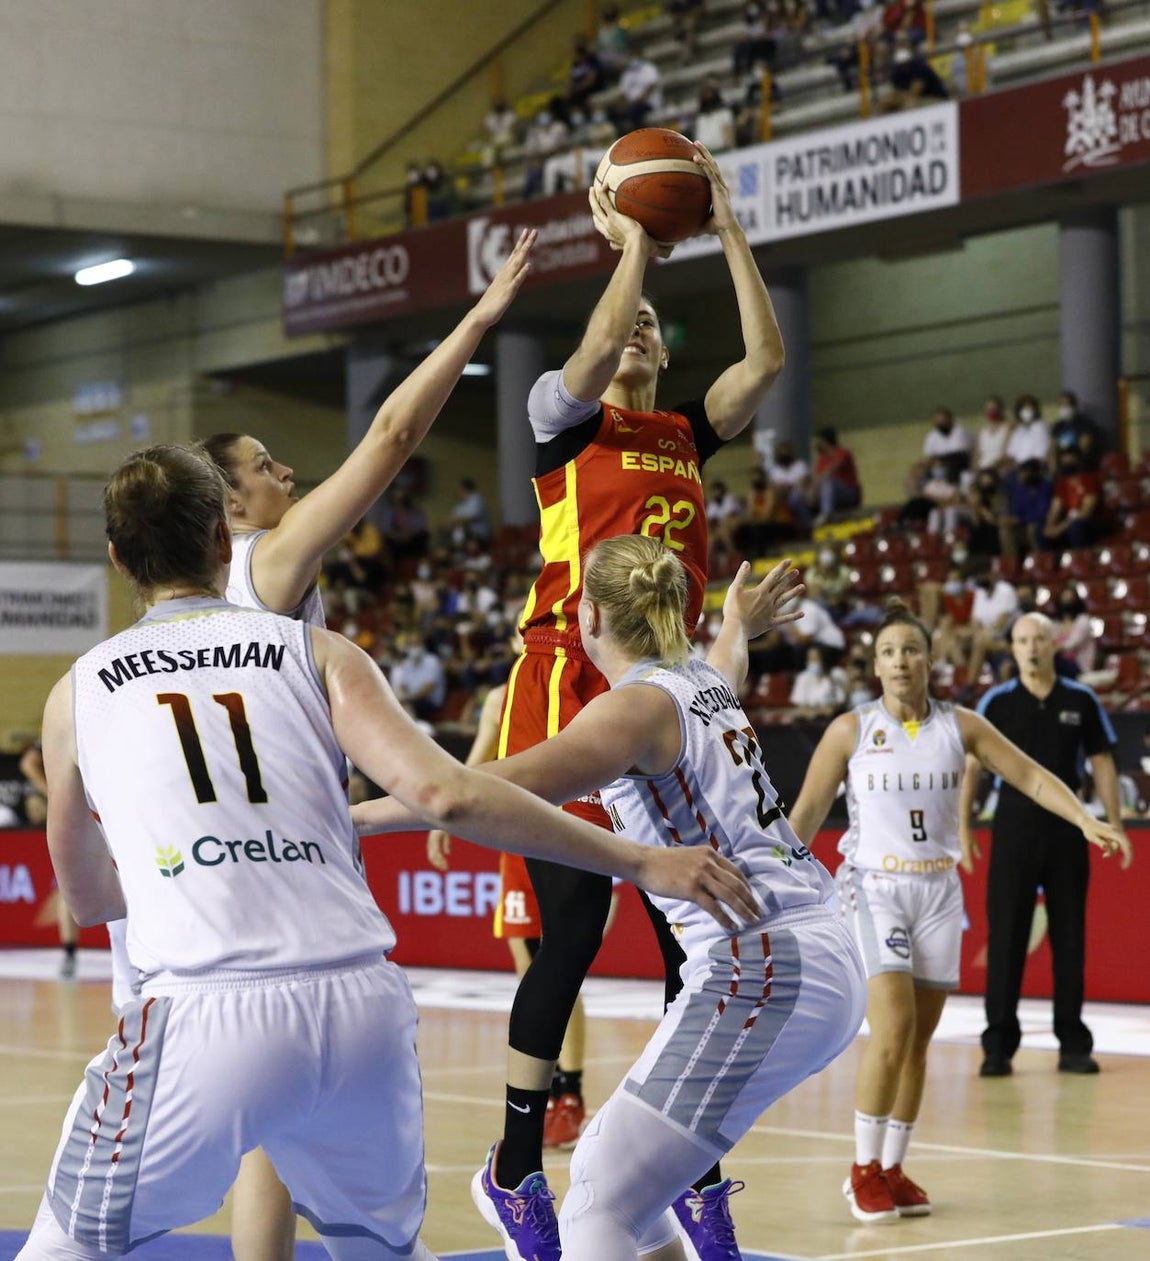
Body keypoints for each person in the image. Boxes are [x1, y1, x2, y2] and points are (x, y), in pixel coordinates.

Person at [16, 447, 757, 1261]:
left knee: (66, 1242)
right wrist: (643, 861)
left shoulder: (77, 691)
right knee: (380, 1249)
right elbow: (452, 795)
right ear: (225, 544)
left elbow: (87, 898)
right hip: (360, 1010)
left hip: (204, 1009)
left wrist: (198, 865)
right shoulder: (318, 653)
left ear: (117, 557)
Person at [108, 232, 539, 1261]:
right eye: (263, 466)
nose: (287, 470)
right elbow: (390, 438)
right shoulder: (266, 562)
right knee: (311, 1156)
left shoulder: (164, 629)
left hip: (191, 905)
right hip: (260, 911)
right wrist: (478, 322)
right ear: (224, 508)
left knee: (269, 1143)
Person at [447, 147, 786, 1261]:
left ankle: (693, 1170)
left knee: (698, 942)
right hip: (566, 682)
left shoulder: (685, 434)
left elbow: (765, 360)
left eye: (649, 326)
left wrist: (727, 226)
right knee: (576, 932)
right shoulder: (565, 421)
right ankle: (512, 1169)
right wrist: (634, 237)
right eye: (625, 322)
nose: (634, 332)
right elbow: (593, 344)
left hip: (665, 691)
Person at [355, 538, 867, 1261]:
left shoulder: (631, 710)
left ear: (588, 616)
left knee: (597, 1190)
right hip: (812, 948)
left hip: (765, 964)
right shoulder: (697, 678)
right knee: (633, 1182)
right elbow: (728, 662)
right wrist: (735, 626)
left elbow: (467, 795)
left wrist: (350, 817)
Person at [787, 601, 1126, 1223]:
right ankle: (860, 1169)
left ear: (930, 660)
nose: (899, 661)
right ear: (875, 665)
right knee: (889, 1030)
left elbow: (1028, 775)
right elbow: (805, 813)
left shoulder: (962, 725)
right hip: (873, 887)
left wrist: (1083, 816)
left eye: (910, 650)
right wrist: (770, 872)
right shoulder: (850, 730)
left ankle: (891, 1167)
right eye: (887, 652)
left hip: (939, 892)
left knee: (918, 1042)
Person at [424, 640, 595, 1150]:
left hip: (568, 830)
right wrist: (442, 816)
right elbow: (472, 767)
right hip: (516, 843)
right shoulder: (504, 697)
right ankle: (547, 1096)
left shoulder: (580, 687)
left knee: (562, 960)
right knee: (533, 968)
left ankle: (572, 1093)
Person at [962, 613, 1133, 1078]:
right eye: (1021, 639)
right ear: (1012, 649)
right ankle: (998, 1045)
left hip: (1068, 832)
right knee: (1006, 939)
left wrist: (1113, 823)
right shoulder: (996, 701)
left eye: (1038, 638)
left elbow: (1102, 760)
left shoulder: (1081, 698)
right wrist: (963, 828)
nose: (1031, 646)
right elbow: (973, 769)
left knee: (1070, 936)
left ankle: (1073, 1043)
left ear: (1055, 643)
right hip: (1012, 829)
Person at [20, 742, 80, 978]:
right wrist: (55, 796)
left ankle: (70, 953)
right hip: (77, 812)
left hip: (96, 809)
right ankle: (69, 953)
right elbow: (28, 763)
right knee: (68, 886)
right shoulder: (64, 721)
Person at [809, 426, 861, 526]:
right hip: (829, 493)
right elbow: (817, 477)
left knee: (828, 482)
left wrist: (817, 484)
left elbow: (832, 469)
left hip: (850, 493)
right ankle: (808, 525)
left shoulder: (843, 452)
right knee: (799, 495)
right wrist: (812, 490)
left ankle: (826, 514)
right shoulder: (822, 458)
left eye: (820, 441)